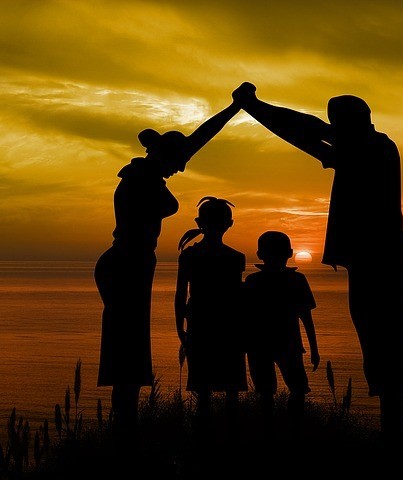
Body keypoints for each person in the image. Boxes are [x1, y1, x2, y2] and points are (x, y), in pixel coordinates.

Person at [232, 82, 403, 441]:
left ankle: (392, 430)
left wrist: (254, 108)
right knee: (376, 339)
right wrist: (256, 107)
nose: (333, 128)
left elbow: (306, 135)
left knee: (385, 341)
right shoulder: (367, 143)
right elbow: (311, 127)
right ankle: (390, 424)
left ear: (354, 122)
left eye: (338, 121)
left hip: (382, 256)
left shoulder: (370, 148)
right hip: (374, 256)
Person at [94, 97, 241, 453]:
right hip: (126, 264)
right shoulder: (142, 178)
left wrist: (235, 108)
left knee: (129, 350)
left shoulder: (148, 171)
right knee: (126, 352)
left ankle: (124, 431)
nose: (182, 169)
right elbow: (181, 155)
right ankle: (123, 435)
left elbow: (195, 141)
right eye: (179, 162)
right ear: (164, 156)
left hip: (133, 264)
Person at [174, 196, 247, 431]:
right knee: (231, 390)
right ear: (230, 223)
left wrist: (179, 328)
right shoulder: (235, 258)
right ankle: (230, 439)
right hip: (229, 326)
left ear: (199, 221)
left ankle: (204, 440)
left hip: (201, 323)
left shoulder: (190, 255)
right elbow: (238, 298)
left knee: (203, 390)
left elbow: (180, 294)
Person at [243, 231, 319, 435]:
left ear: (259, 254)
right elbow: (306, 318)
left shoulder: (252, 281)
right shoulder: (297, 280)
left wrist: (314, 349)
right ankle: (293, 430)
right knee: (297, 389)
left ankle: (274, 432)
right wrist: (314, 349)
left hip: (261, 345)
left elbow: (245, 319)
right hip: (285, 344)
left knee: (270, 392)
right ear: (291, 253)